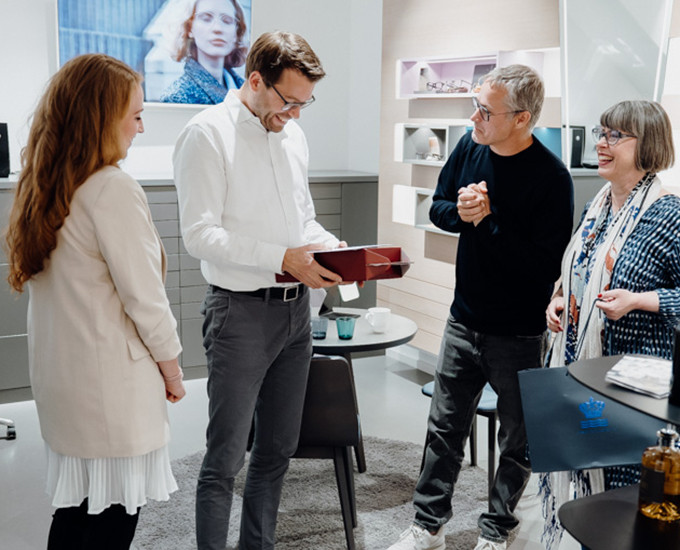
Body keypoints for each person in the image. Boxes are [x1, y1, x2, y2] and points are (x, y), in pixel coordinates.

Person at [388, 64, 574, 550]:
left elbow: (540, 267)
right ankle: (428, 527)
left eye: (485, 110)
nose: (474, 116)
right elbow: (438, 208)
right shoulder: (471, 145)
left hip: (519, 334)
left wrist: (487, 220)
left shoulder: (551, 179)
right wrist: (463, 213)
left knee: (517, 443)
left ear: (521, 118)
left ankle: (496, 534)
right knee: (443, 431)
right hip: (462, 319)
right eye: (475, 103)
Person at [4, 53, 185, 549]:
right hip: (110, 392)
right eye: (136, 115)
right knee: (107, 525)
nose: (141, 128)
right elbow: (145, 299)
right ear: (103, 120)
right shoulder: (112, 189)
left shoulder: (45, 186)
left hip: (66, 385)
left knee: (77, 515)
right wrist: (172, 371)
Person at [173, 30, 345, 549]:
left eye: (304, 103)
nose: (294, 114)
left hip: (296, 316)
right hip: (239, 315)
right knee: (224, 457)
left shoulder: (293, 134)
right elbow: (199, 235)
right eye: (287, 100)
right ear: (255, 80)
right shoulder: (205, 134)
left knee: (277, 450)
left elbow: (303, 222)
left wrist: (340, 253)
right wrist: (281, 259)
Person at [540, 99, 680, 550]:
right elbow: (578, 272)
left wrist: (641, 300)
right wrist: (560, 299)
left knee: (625, 509)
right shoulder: (598, 207)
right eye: (601, 133)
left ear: (649, 144)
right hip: (584, 381)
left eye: (615, 136)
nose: (601, 144)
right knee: (590, 507)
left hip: (635, 394)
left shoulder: (669, 214)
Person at [161, 0, 248, 104]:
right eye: (206, 19)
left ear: (236, 33)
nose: (218, 28)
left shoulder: (246, 90)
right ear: (189, 28)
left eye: (227, 21)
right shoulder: (176, 97)